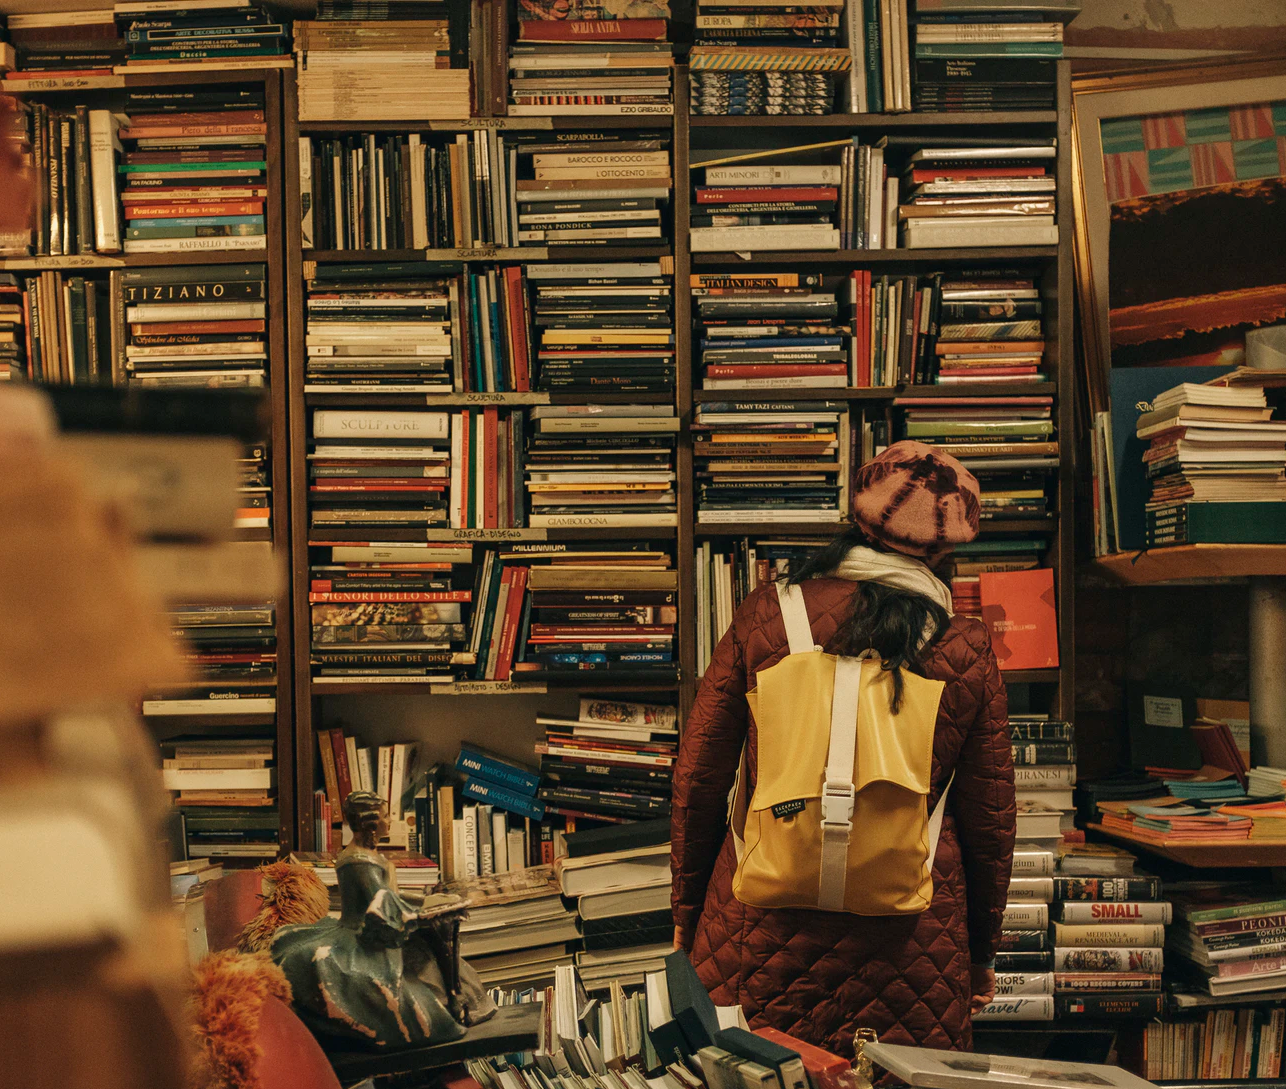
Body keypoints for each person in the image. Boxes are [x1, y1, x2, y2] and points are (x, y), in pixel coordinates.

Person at [671, 440, 1016, 1056]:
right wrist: (981, 951)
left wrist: (688, 910)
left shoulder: (766, 618)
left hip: (755, 925)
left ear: (855, 519)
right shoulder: (966, 647)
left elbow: (699, 776)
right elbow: (990, 820)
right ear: (947, 550)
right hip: (914, 941)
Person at [272, 791, 495, 1047]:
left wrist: (426, 901)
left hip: (381, 922)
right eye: (385, 816)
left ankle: (459, 998)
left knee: (439, 951)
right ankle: (451, 1006)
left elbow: (390, 896)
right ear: (369, 821)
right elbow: (379, 901)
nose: (389, 821)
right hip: (365, 935)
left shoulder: (371, 855)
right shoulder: (357, 860)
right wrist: (419, 911)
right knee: (426, 954)